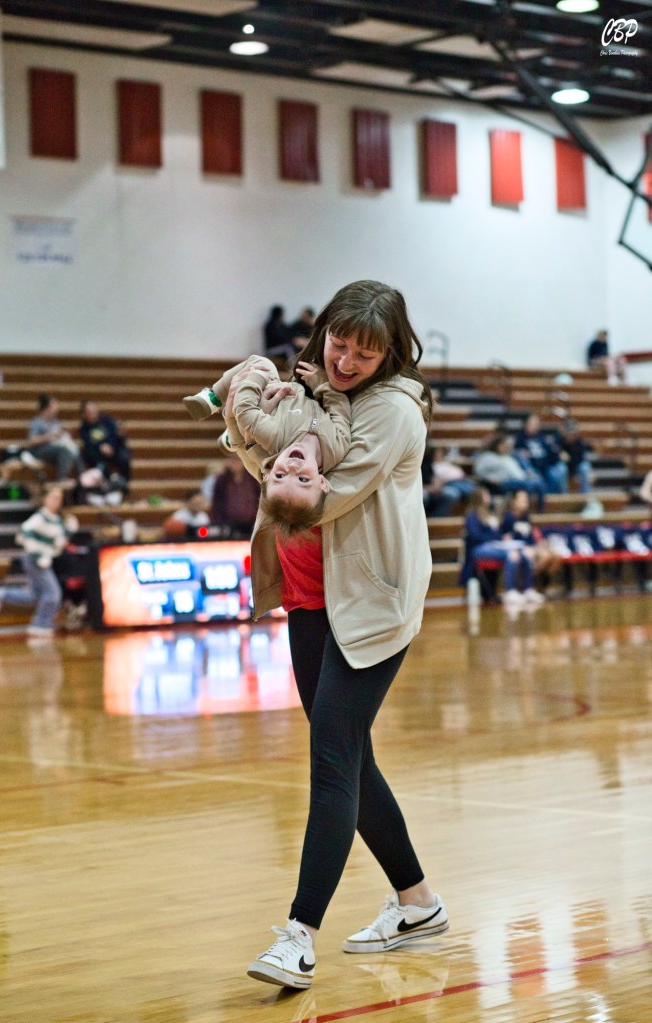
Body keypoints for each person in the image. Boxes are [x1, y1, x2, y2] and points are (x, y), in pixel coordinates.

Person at [225, 280, 448, 991]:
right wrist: (269, 416)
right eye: (339, 344)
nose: (346, 361)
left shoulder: (393, 412)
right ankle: (418, 903)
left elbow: (309, 497)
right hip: (309, 597)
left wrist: (249, 427)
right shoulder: (320, 389)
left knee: (331, 758)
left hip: (370, 607)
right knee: (351, 757)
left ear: (391, 354)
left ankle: (300, 936)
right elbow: (283, 453)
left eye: (364, 353)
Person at [183, 353, 351, 531]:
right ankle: (230, 436)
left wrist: (256, 377)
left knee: (262, 363)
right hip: (288, 398)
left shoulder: (274, 438)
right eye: (303, 479)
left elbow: (245, 411)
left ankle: (212, 398)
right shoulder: (338, 448)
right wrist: (322, 384)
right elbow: (340, 409)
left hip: (270, 401)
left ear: (269, 476)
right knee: (246, 437)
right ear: (323, 482)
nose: (292, 468)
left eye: (280, 476)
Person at [0, 485, 78, 636]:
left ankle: (3, 594)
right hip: (34, 560)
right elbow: (22, 535)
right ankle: (40, 624)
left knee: (34, 595)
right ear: (45, 499)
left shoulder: (57, 520)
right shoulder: (39, 518)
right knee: (53, 594)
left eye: (59, 499)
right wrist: (39, 555)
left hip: (45, 560)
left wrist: (69, 528)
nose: (56, 502)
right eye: (53, 498)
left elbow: (60, 541)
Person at [460, 486, 544, 608]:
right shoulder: (472, 516)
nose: (489, 497)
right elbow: (476, 536)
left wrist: (501, 538)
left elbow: (497, 533)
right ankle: (510, 591)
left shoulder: (489, 514)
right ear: (479, 498)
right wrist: (493, 538)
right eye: (486, 495)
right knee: (512, 554)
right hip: (478, 548)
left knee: (523, 553)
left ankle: (527, 589)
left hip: (494, 546)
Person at [500, 489, 562, 591]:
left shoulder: (525, 517)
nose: (526, 503)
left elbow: (530, 535)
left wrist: (540, 543)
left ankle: (543, 584)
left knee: (555, 555)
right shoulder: (508, 518)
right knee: (545, 556)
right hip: (519, 548)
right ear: (514, 502)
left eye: (526, 500)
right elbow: (505, 537)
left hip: (531, 545)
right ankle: (530, 584)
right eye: (522, 500)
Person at [473, 433, 546, 510]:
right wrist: (490, 478)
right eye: (503, 446)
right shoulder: (488, 456)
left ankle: (540, 510)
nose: (505, 448)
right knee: (527, 485)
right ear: (497, 446)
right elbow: (479, 471)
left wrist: (526, 474)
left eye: (505, 446)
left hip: (517, 479)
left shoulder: (508, 457)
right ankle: (524, 508)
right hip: (502, 483)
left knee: (539, 482)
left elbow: (516, 471)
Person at [21, 394, 81, 482]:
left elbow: (58, 436)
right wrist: (50, 436)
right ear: (47, 408)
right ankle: (62, 479)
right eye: (54, 406)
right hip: (39, 450)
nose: (57, 409)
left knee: (73, 448)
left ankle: (82, 477)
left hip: (53, 449)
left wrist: (65, 433)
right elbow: (32, 441)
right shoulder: (37, 422)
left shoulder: (55, 422)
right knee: (63, 450)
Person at [79, 400, 131, 492]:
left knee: (124, 456)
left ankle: (124, 484)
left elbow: (115, 434)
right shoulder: (84, 428)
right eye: (89, 411)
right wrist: (100, 447)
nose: (93, 412)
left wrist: (110, 445)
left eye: (94, 409)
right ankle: (106, 483)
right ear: (84, 414)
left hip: (113, 448)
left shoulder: (106, 420)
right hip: (98, 453)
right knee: (90, 455)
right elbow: (88, 443)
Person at [514, 414, 568, 495]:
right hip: (533, 467)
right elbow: (519, 454)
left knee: (560, 470)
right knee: (537, 478)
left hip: (546, 465)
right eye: (532, 423)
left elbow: (551, 450)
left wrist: (558, 454)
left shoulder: (542, 437)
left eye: (537, 424)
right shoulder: (520, 438)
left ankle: (561, 496)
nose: (535, 426)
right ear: (526, 424)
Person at [209, 455, 261, 537]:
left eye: (238, 461)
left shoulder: (252, 479)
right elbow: (217, 501)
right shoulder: (222, 480)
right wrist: (220, 520)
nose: (235, 464)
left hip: (251, 523)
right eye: (233, 461)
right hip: (228, 523)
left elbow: (258, 498)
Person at [421, 445, 475, 517]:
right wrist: (434, 487)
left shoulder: (445, 463)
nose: (439, 455)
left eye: (441, 453)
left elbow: (435, 478)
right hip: (447, 483)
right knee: (425, 496)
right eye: (437, 453)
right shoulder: (430, 464)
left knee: (467, 490)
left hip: (460, 481)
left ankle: (438, 518)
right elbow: (436, 478)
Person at [559, 419, 593, 494]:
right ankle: (563, 494)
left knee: (585, 467)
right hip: (564, 467)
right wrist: (560, 456)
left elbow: (580, 459)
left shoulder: (579, 442)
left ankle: (586, 494)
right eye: (569, 433)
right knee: (561, 469)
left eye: (573, 433)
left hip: (575, 466)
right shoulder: (559, 441)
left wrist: (568, 459)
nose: (571, 436)